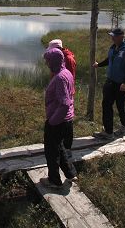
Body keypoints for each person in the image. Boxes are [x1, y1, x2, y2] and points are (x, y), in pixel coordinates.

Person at [92, 28, 125, 140]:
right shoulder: (114, 47)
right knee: (106, 105)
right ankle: (108, 132)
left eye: (114, 36)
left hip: (121, 85)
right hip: (110, 82)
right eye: (111, 35)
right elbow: (110, 60)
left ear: (122, 36)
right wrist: (98, 65)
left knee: (121, 105)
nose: (112, 38)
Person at [40, 47, 77, 189]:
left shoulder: (60, 77)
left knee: (51, 152)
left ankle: (54, 181)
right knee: (60, 148)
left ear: (54, 61)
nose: (46, 64)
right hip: (66, 121)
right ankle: (70, 173)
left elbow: (65, 103)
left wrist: (52, 121)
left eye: (48, 61)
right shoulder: (66, 72)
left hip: (58, 121)